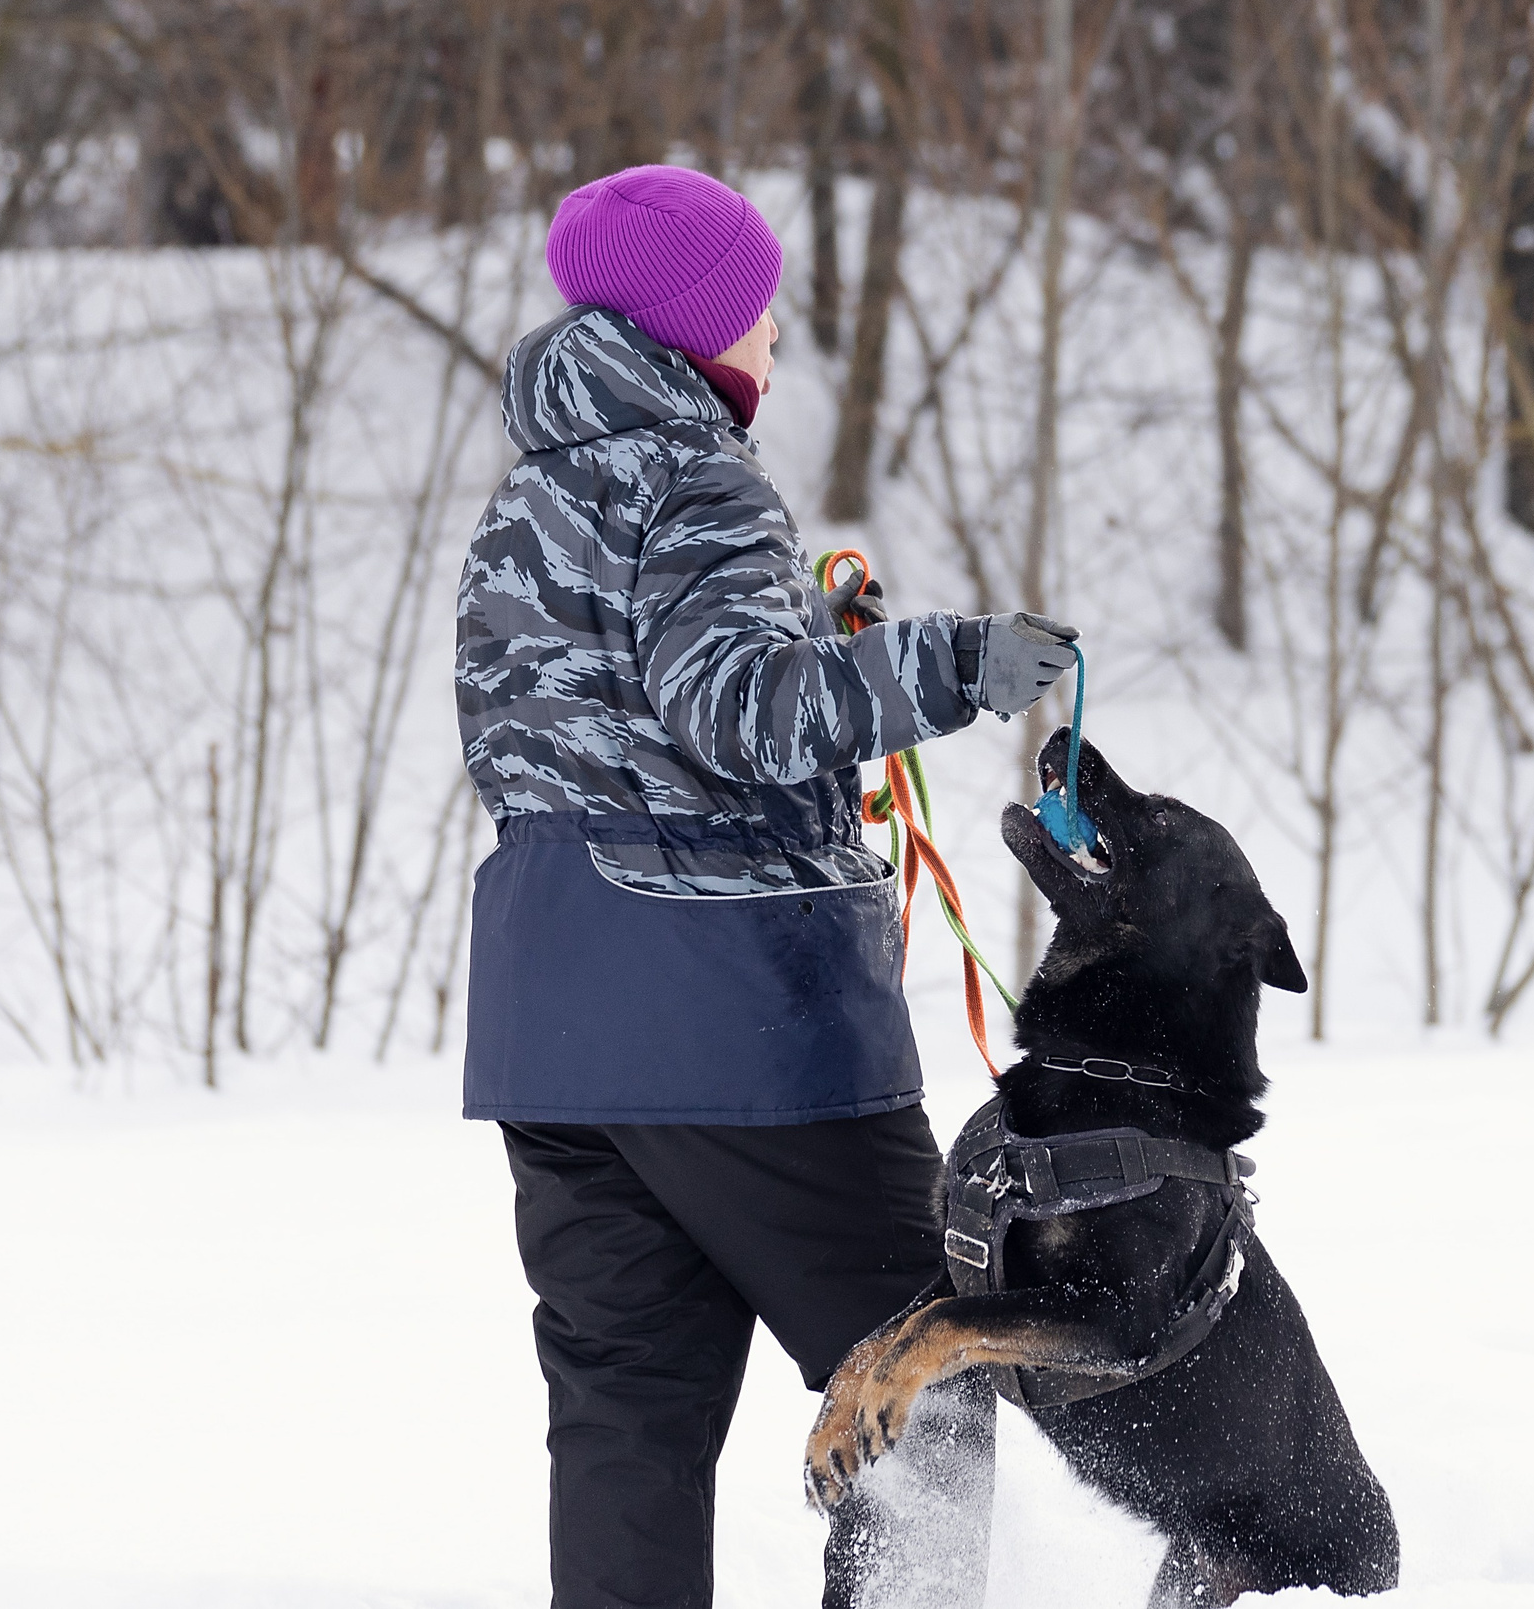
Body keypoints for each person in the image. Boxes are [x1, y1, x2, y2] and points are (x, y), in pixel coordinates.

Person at [454, 163, 1079, 1607]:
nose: (778, 331)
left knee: (628, 1420)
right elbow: (739, 713)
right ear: (691, 331)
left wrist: (810, 634)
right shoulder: (699, 479)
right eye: (758, 307)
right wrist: (941, 665)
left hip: (555, 1030)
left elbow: (582, 733)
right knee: (923, 1369)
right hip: (736, 1029)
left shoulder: (530, 501)